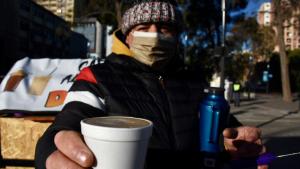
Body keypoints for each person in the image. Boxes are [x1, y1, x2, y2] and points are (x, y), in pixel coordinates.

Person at [35, 0, 267, 169]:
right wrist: (50, 154)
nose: (155, 35)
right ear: (128, 37)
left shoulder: (196, 82)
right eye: (143, 29)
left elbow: (227, 133)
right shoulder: (97, 77)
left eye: (164, 29)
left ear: (177, 38)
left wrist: (243, 146)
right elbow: (64, 126)